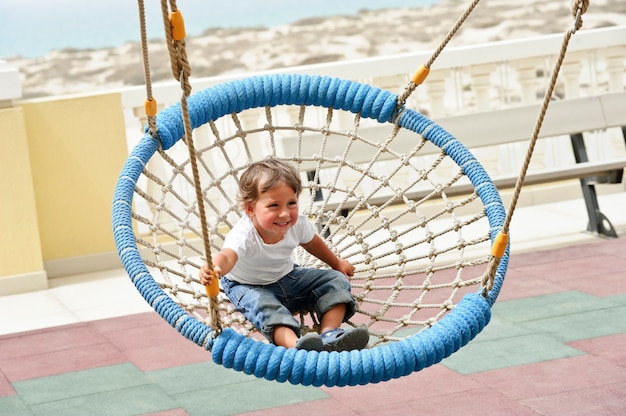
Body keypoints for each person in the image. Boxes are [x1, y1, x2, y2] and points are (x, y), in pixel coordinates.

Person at [199, 158, 369, 352]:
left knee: (336, 281)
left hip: (288, 277)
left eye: (291, 203)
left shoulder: (297, 224)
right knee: (265, 307)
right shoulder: (244, 235)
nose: (285, 214)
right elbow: (228, 256)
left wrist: (336, 263)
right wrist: (215, 268)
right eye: (274, 206)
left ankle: (330, 334)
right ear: (250, 208)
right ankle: (296, 346)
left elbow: (312, 242)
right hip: (247, 285)